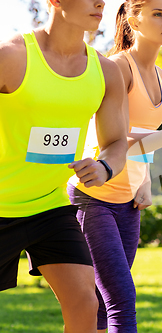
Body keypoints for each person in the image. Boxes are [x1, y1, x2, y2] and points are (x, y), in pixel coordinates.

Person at [67, 1, 162, 332]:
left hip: (128, 202)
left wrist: (145, 182)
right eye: (157, 14)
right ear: (133, 19)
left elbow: (145, 137)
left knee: (103, 305)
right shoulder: (119, 67)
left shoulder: (160, 74)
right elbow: (118, 145)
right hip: (94, 196)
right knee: (122, 301)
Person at [0, 0, 129, 332]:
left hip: (49, 205)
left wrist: (104, 167)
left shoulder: (105, 72)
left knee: (85, 301)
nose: (100, 2)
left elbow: (117, 143)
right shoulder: (12, 57)